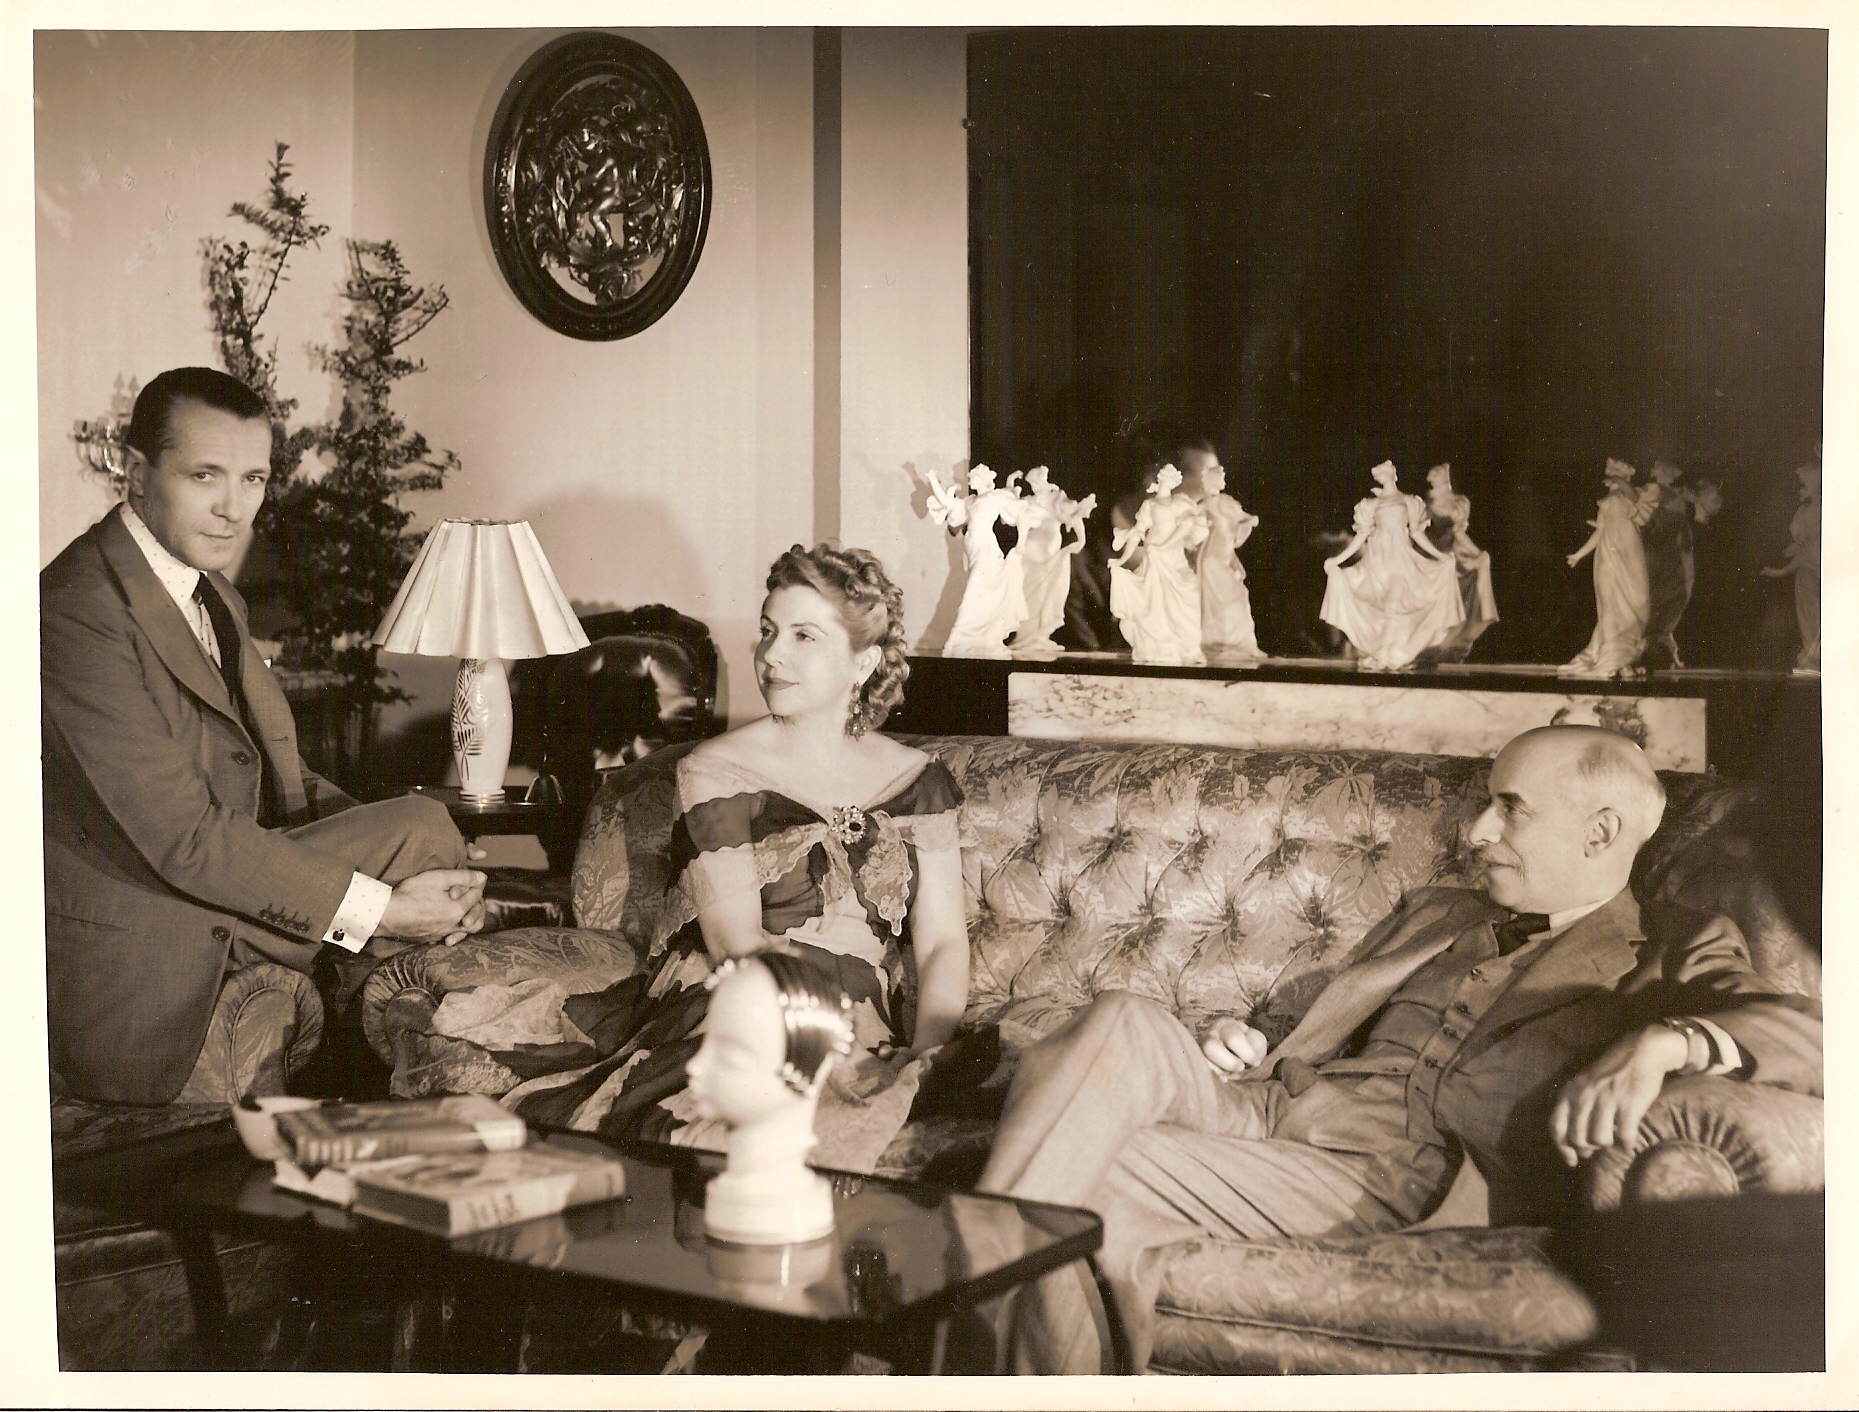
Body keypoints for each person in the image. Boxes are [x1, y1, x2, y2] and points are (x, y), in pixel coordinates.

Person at [977, 725, 1821, 1374]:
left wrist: (1665, 1042)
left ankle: (966, 1317)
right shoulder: (1440, 910)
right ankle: (980, 1319)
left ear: (1601, 832)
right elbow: (1324, 1002)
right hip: (1270, 1105)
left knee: (1082, 1180)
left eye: (1508, 807)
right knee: (1120, 1018)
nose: (1477, 830)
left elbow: (1811, 1037)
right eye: (1487, 803)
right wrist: (1251, 1036)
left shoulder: (1674, 941)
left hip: (1391, 1175)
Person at [41, 367, 487, 1106]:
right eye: (204, 475)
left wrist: (411, 877)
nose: (231, 509)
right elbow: (184, 840)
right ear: (135, 471)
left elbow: (286, 777)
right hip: (159, 929)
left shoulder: (210, 592)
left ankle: (382, 1099)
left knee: (420, 827)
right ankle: (382, 1091)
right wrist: (384, 908)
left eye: (252, 479)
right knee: (414, 851)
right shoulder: (72, 612)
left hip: (216, 894)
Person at [509, 543, 971, 1168]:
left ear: (862, 662)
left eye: (804, 636)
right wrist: (835, 1043)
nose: (772, 655)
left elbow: (942, 940)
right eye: (768, 631)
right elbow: (736, 945)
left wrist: (928, 1052)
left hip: (869, 1015)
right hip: (735, 998)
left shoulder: (923, 781)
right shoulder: (716, 769)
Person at [1319, 460, 1464, 671]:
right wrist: (1337, 560)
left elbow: (1417, 533)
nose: (1381, 476)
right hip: (1376, 559)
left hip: (1400, 558)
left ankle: (1396, 653)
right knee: (1383, 604)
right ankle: (1384, 653)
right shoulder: (1371, 505)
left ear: (1393, 474)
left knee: (1397, 602)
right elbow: (1361, 536)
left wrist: (1440, 557)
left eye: (1384, 472)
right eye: (1378, 474)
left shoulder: (1409, 501)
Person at [1560, 458, 1657, 678]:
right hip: (1607, 554)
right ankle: (1613, 656)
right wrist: (1579, 555)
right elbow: (1599, 532)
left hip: (1630, 553)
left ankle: (1627, 656)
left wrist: (1619, 481)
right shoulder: (1604, 503)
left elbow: (1631, 495)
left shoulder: (1635, 497)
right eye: (1609, 471)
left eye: (1615, 471)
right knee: (1610, 603)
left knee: (1637, 601)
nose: (1610, 475)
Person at [1109, 464, 1210, 665]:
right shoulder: (1149, 506)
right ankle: (1157, 647)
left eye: (1174, 476)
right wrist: (1122, 559)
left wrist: (1167, 544)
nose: (1172, 479)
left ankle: (1186, 648)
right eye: (1168, 476)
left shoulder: (1181, 502)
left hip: (1171, 554)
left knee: (1187, 592)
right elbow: (1137, 533)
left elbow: (1190, 526)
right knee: (1153, 599)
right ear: (1162, 479)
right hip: (1154, 554)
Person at [924, 465, 1029, 657]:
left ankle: (957, 639)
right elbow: (947, 503)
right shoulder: (970, 501)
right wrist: (932, 479)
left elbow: (1021, 515)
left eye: (972, 477)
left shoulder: (996, 497)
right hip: (973, 552)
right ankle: (978, 640)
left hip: (987, 552)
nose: (969, 480)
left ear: (982, 479)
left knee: (973, 595)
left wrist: (1021, 543)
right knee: (981, 597)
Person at [1419, 462, 1498, 662]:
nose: (1432, 475)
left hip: (1451, 554)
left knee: (1458, 594)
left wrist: (1477, 553)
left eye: (1437, 472)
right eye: (1432, 473)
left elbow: (1458, 532)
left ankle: (1452, 642)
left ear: (1446, 477)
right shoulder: (1425, 503)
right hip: (1429, 553)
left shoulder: (1458, 502)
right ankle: (1429, 642)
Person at [1011, 466, 1095, 654]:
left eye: (1039, 480)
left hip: (1048, 549)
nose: (1036, 484)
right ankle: (1025, 637)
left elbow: (1074, 515)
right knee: (1026, 592)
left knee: (1045, 592)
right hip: (1029, 549)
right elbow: (1010, 518)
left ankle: (1040, 635)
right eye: (1033, 482)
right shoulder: (1027, 501)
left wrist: (1081, 539)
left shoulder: (1057, 498)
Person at [1196, 463, 1263, 661]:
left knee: (1229, 598)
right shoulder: (1219, 501)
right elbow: (1245, 518)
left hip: (1220, 555)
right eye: (1219, 477)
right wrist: (1251, 520)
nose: (1222, 480)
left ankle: (1234, 643)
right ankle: (1229, 643)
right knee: (1234, 596)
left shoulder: (1211, 501)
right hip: (1214, 557)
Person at [1761, 456, 1820, 673]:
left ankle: (1813, 658)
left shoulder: (1813, 512)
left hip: (1812, 570)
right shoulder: (1811, 510)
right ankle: (1812, 656)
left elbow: (1805, 549)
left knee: (1812, 615)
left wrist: (1781, 570)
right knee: (1810, 615)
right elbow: (1803, 550)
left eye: (1804, 481)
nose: (1800, 487)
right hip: (1810, 569)